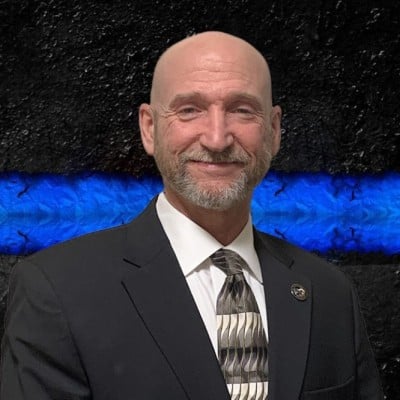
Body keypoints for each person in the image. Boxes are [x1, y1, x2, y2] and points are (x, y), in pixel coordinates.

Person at [0, 31, 383, 400]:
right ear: (149, 129)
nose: (217, 138)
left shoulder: (330, 293)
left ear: (274, 130)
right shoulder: (56, 291)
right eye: (189, 110)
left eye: (242, 110)